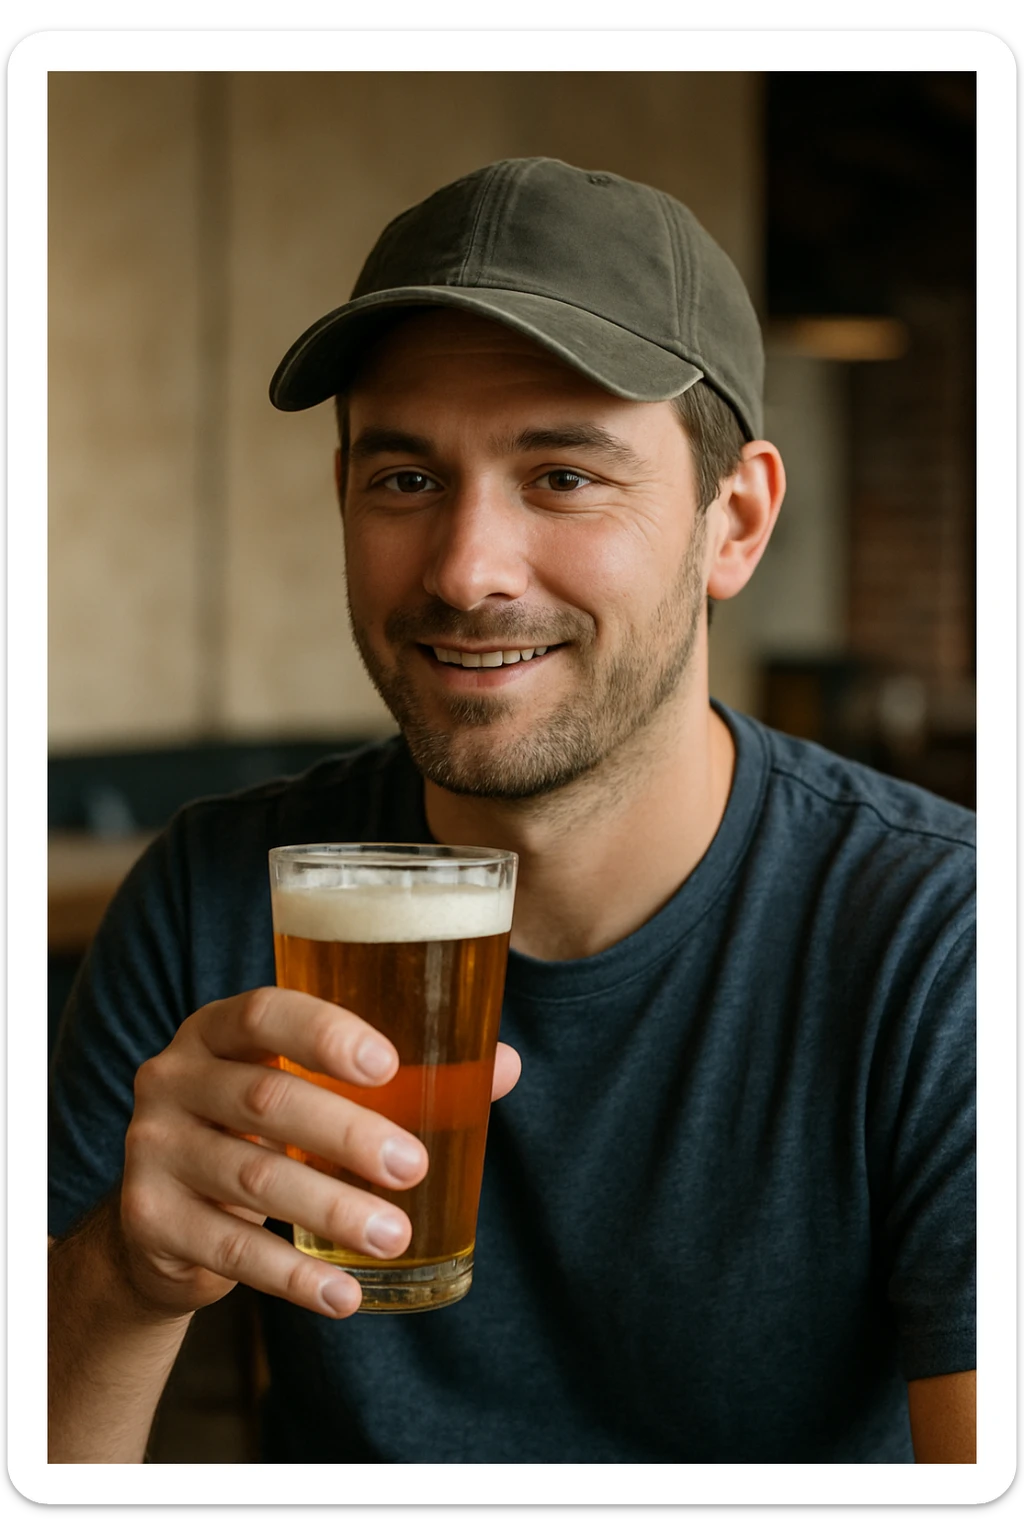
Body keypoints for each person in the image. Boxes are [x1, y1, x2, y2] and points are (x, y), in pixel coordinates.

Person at [48, 158, 975, 1465]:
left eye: (564, 476)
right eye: (406, 479)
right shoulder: (218, 889)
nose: (467, 569)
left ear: (736, 522)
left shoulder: (945, 944)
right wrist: (127, 1275)